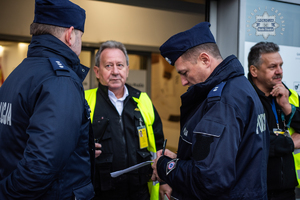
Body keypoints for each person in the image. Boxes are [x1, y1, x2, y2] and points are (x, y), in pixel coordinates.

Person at [151, 22, 269, 200]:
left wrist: (164, 166)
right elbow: (228, 157)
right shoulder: (241, 87)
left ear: (205, 60)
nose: (183, 81)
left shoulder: (222, 102)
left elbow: (208, 179)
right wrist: (179, 159)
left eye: (184, 72)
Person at [0, 0, 95, 199]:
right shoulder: (59, 80)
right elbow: (42, 164)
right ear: (70, 35)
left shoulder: (19, 73)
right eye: (80, 37)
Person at [85, 40, 170, 200]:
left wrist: (164, 179)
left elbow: (158, 146)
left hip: (140, 192)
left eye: (120, 65)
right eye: (108, 65)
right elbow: (69, 146)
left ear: (128, 70)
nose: (115, 71)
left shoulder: (143, 100)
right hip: (100, 194)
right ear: (97, 71)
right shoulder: (85, 102)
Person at [248, 41, 300, 200]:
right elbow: (250, 143)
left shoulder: (289, 94)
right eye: (272, 67)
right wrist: (290, 143)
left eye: (281, 66)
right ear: (254, 71)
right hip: (256, 192)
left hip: (288, 190)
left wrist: (287, 107)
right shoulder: (245, 99)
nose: (279, 72)